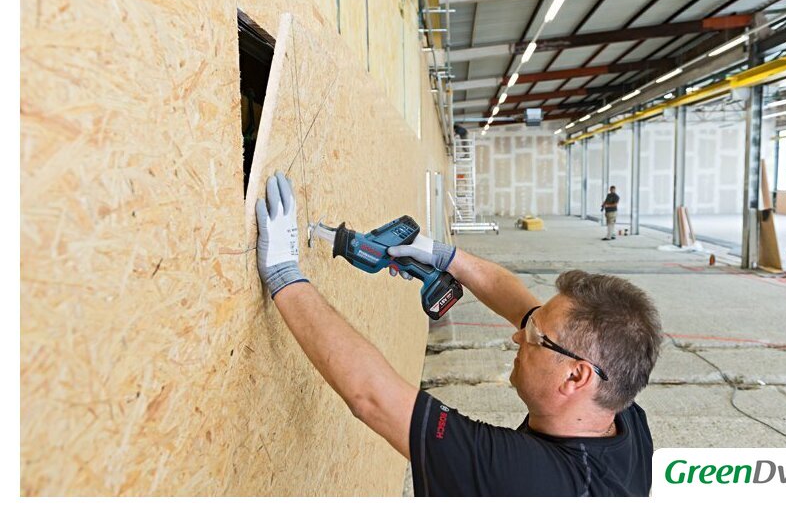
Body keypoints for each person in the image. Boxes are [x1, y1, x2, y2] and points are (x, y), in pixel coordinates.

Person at [256, 172, 663, 496]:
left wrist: (284, 275)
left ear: (576, 376)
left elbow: (372, 397)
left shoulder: (527, 479)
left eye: (534, 335)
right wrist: (445, 256)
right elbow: (520, 305)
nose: (517, 336)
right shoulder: (621, 413)